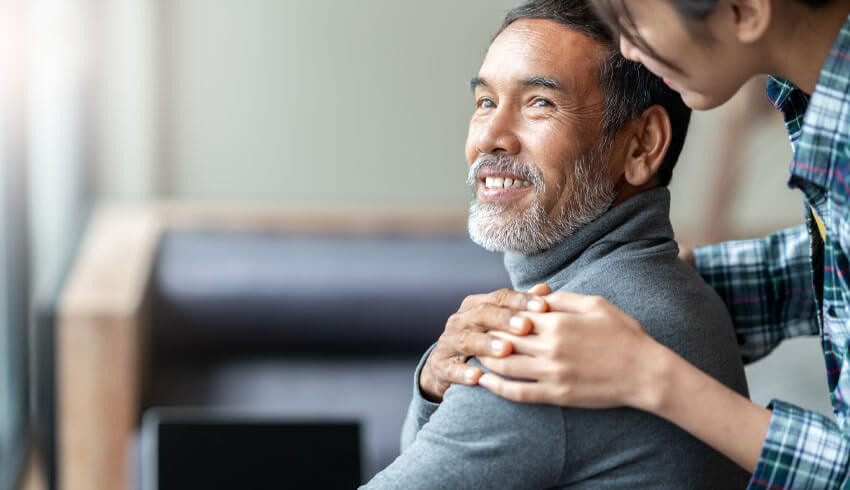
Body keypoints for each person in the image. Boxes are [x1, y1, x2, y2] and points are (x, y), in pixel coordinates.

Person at [424, 0, 850, 488]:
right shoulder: (812, 101)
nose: (630, 47)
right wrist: (673, 292)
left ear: (745, 10)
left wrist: (651, 375)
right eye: (484, 101)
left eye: (635, 15)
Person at [363, 1, 750, 487]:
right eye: (485, 102)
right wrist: (435, 388)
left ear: (641, 145)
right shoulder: (679, 291)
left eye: (539, 102)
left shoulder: (554, 349)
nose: (492, 138)